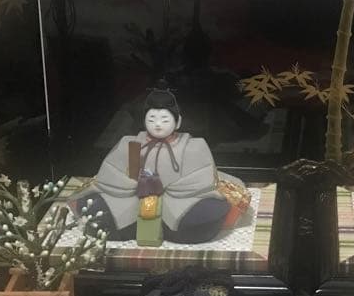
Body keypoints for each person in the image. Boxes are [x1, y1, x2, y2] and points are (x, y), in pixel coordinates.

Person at [86, 87, 243, 243]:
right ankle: (133, 225)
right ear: (144, 121)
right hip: (134, 198)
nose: (158, 125)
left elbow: (201, 180)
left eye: (165, 120)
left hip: (182, 200)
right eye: (151, 120)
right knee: (96, 208)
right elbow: (115, 176)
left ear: (178, 122)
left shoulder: (192, 146)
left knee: (208, 212)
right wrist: (139, 186)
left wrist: (163, 190)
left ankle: (173, 227)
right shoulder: (133, 144)